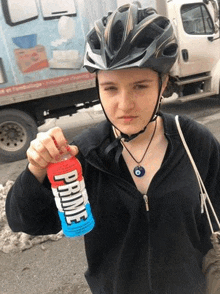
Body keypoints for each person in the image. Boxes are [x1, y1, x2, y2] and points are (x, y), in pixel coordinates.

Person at [5, 3, 220, 294]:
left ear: (163, 83)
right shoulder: (85, 153)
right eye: (110, 88)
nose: (124, 104)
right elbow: (27, 222)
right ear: (97, 87)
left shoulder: (193, 141)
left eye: (140, 86)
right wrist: (36, 171)